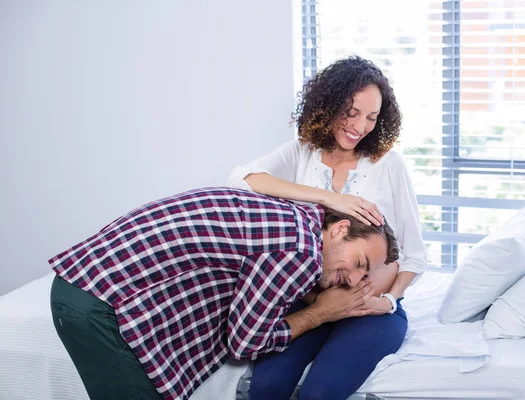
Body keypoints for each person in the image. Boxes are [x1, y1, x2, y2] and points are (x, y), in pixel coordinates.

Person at [48, 187, 399, 400]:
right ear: (339, 229)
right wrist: (323, 312)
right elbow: (246, 342)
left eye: (364, 275)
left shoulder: (293, 215)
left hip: (89, 281)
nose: (354, 280)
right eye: (359, 263)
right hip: (97, 302)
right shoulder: (299, 251)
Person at [227, 56, 427, 399]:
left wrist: (390, 302)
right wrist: (329, 198)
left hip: (370, 310)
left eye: (371, 117)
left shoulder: (387, 164)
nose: (360, 125)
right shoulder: (302, 153)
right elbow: (240, 180)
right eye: (352, 111)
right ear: (330, 104)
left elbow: (416, 257)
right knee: (267, 387)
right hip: (308, 303)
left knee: (319, 393)